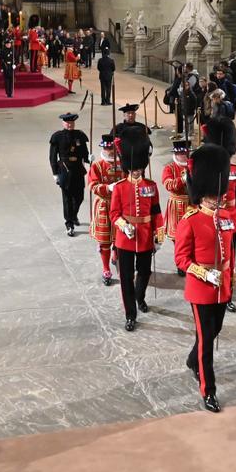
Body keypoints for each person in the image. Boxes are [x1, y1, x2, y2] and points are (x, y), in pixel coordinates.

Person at [175, 144, 234, 413]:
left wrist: (226, 274)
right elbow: (182, 259)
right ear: (201, 194)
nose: (215, 199)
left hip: (222, 286)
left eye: (216, 194)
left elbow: (229, 250)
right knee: (207, 339)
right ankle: (208, 390)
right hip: (200, 289)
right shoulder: (190, 220)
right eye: (210, 195)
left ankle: (191, 359)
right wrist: (203, 272)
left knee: (214, 331)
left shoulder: (226, 217)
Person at [108, 126, 164, 331]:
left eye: (139, 168)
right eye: (134, 169)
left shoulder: (151, 185)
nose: (137, 171)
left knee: (144, 272)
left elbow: (157, 211)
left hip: (146, 236)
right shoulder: (120, 187)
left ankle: (140, 297)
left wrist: (159, 233)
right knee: (125, 277)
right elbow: (114, 214)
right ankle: (130, 313)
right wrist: (124, 227)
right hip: (125, 239)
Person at [201, 117, 236, 313]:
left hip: (230, 222)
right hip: (209, 221)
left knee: (229, 260)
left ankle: (228, 294)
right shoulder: (207, 169)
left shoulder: (235, 170)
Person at [88, 134, 125, 285]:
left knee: (120, 236)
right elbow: (92, 186)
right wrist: (108, 188)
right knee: (104, 241)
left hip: (120, 205)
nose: (109, 150)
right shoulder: (96, 166)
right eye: (106, 147)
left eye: (111, 147)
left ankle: (116, 256)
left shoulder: (123, 164)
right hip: (104, 205)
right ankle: (105, 268)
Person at [49, 113, 90, 236]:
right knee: (67, 199)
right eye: (67, 122)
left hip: (78, 169)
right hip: (64, 170)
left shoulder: (80, 135)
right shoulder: (57, 136)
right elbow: (52, 157)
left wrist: (89, 158)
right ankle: (69, 223)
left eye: (71, 122)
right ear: (63, 123)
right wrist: (55, 173)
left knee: (79, 197)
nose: (70, 124)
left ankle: (73, 215)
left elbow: (84, 153)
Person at [162, 138, 192, 275]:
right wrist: (182, 180)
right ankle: (180, 261)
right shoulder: (170, 168)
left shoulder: (193, 166)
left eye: (186, 153)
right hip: (177, 203)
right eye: (182, 153)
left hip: (192, 203)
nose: (184, 156)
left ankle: (190, 259)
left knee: (192, 235)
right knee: (177, 237)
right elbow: (168, 185)